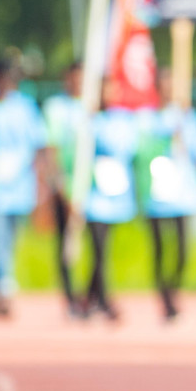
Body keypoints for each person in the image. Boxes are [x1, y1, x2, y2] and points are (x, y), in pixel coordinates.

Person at [0, 56, 48, 317]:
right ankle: (4, 287)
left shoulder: (25, 108)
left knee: (10, 239)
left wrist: (40, 183)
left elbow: (38, 146)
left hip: (19, 185)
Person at [140, 69, 196, 321]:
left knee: (181, 250)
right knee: (159, 248)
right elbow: (142, 148)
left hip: (182, 192)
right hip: (156, 191)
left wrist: (183, 135)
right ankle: (164, 300)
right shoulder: (148, 117)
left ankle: (173, 288)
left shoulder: (187, 116)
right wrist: (164, 137)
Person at [83, 86, 140, 322]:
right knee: (98, 249)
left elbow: (130, 148)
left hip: (116, 193)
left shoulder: (124, 121)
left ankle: (88, 298)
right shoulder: (88, 120)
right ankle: (105, 301)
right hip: (93, 195)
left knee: (103, 248)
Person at [43, 62, 84, 316]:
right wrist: (60, 186)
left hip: (91, 189)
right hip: (65, 188)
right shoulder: (55, 108)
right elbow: (51, 149)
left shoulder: (92, 106)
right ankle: (70, 296)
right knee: (65, 243)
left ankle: (93, 294)